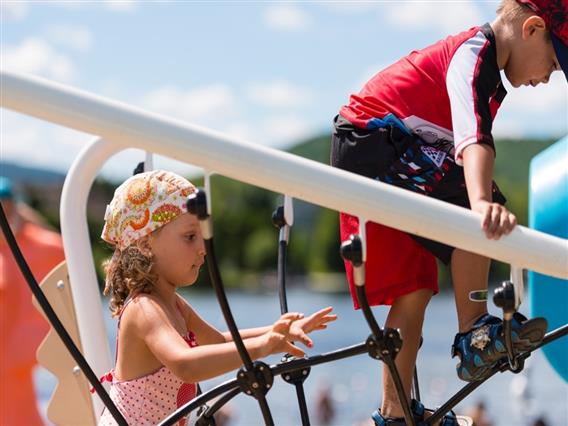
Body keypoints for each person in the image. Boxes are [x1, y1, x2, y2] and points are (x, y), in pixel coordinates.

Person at [330, 0, 566, 424]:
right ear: (531, 29)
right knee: (482, 208)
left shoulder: (493, 76)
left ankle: (396, 413)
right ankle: (474, 329)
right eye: (553, 63)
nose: (548, 78)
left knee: (416, 288)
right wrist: (478, 204)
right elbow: (473, 138)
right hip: (371, 139)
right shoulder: (474, 54)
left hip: (392, 150)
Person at [97, 170, 336, 425]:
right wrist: (264, 345)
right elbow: (185, 365)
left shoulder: (175, 305)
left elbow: (217, 342)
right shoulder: (144, 309)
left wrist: (278, 333)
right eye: (190, 237)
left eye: (202, 236)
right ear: (145, 244)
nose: (203, 249)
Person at [0, 176, 66, 425]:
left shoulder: (35, 245)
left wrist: (28, 218)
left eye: (7, 209)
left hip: (17, 362)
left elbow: (67, 252)